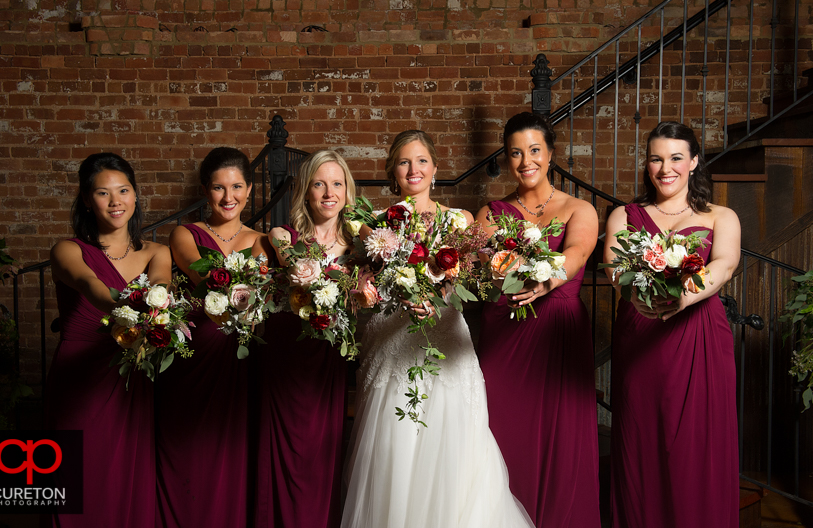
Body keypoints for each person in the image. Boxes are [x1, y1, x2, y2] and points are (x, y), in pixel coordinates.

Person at [341, 130, 535, 528]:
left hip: (445, 339)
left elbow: (473, 275)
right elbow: (365, 285)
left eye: (422, 161)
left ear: (435, 168)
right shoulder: (373, 225)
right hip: (393, 342)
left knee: (455, 446)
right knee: (394, 445)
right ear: (393, 172)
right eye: (404, 162)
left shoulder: (459, 220)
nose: (414, 169)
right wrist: (374, 290)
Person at [604, 121, 740, 528]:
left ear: (694, 162)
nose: (666, 168)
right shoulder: (624, 215)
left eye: (677, 158)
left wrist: (684, 295)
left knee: (696, 448)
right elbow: (615, 269)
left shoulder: (722, 216)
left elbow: (726, 263)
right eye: (657, 158)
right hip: (641, 336)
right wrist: (638, 298)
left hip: (699, 337)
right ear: (647, 165)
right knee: (641, 443)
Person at [475, 112, 601, 527]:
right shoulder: (491, 212)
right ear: (507, 159)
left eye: (534, 150)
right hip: (505, 330)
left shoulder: (579, 208)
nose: (525, 161)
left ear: (550, 154)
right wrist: (503, 269)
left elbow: (579, 252)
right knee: (500, 433)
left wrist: (546, 281)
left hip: (558, 336)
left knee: (561, 443)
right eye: (515, 153)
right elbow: (487, 262)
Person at [45, 153, 171, 527]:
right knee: (78, 479)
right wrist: (126, 304)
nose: (116, 202)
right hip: (79, 379)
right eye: (103, 193)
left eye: (123, 191)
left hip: (130, 379)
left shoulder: (156, 252)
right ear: (86, 199)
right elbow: (90, 285)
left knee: (126, 483)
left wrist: (158, 302)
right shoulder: (67, 250)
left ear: (135, 196)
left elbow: (161, 285)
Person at [155, 147, 264, 528]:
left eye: (237, 187)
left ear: (250, 190)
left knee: (231, 451)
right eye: (219, 188)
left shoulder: (262, 239)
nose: (228, 197)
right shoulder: (185, 234)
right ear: (206, 191)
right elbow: (203, 276)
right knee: (186, 448)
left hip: (238, 360)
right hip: (193, 355)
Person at [252, 150, 352, 528]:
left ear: (347, 192)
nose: (329, 192)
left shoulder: (360, 247)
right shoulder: (282, 236)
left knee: (321, 455)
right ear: (306, 192)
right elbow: (284, 256)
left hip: (328, 360)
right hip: (285, 356)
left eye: (337, 184)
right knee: (281, 451)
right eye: (319, 184)